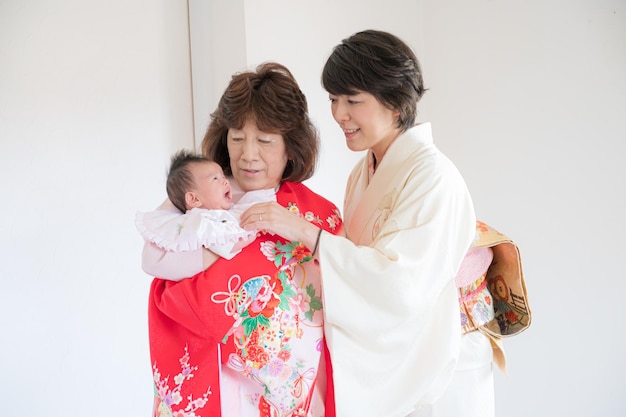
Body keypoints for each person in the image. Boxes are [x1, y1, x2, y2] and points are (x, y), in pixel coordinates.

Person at [239, 30, 530, 417]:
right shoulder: (363, 174)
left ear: (395, 103)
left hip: (445, 356)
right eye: (333, 99)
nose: (339, 114)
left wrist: (305, 232)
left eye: (352, 100)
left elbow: (399, 284)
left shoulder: (434, 176)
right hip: (400, 354)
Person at [142, 62, 343, 417]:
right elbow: (158, 264)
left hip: (286, 390)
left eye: (264, 141)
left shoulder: (315, 215)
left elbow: (337, 304)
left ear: (291, 147)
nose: (248, 154)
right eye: (237, 137)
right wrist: (214, 259)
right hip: (211, 373)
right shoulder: (197, 195)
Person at [136, 149, 268, 260]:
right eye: (215, 178)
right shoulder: (201, 221)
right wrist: (252, 235)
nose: (226, 182)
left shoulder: (226, 209)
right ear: (194, 199)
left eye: (223, 176)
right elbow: (223, 245)